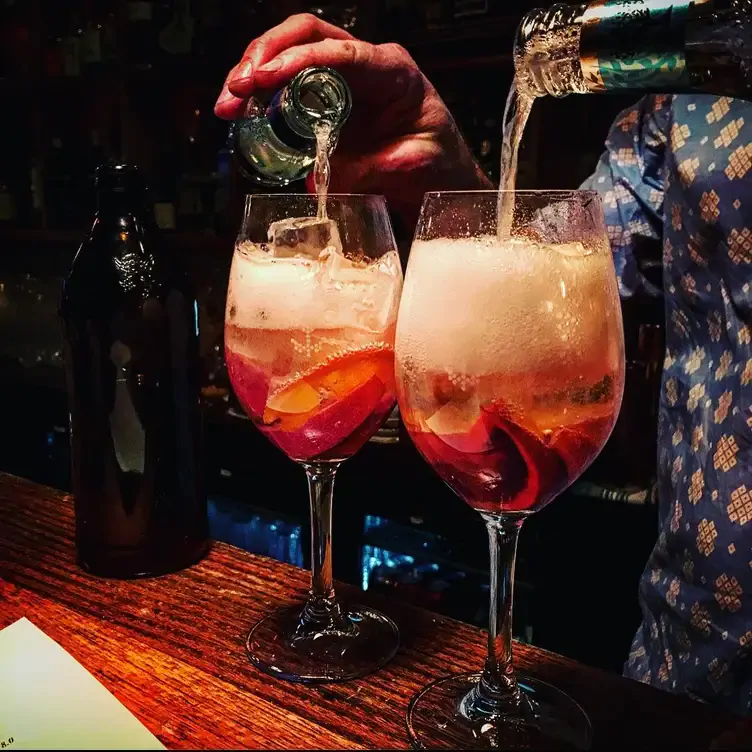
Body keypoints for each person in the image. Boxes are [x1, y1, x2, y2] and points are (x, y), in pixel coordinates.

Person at [216, 14, 752, 715]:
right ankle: (495, 686)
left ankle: (496, 679)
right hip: (685, 661)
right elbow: (556, 282)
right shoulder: (679, 112)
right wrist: (444, 171)